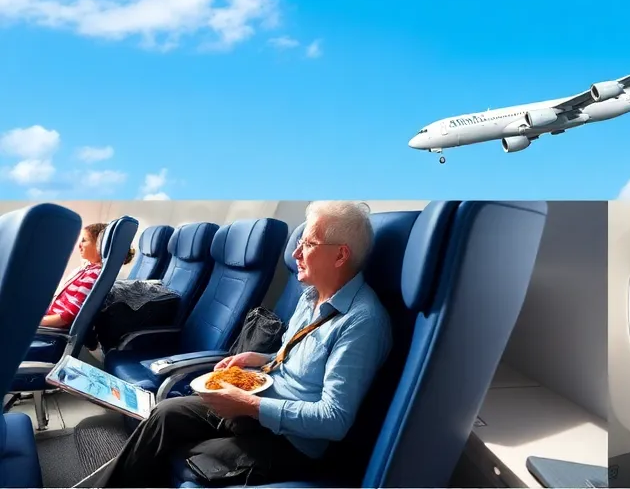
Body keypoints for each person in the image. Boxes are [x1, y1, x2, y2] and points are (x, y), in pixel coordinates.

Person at [106, 201, 392, 487]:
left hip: (291, 441)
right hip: (258, 408)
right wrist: (259, 358)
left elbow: (334, 419)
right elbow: (291, 359)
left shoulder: (362, 322)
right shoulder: (310, 296)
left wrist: (250, 405)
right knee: (165, 413)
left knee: (192, 459)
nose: (295, 254)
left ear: (340, 255)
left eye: (307, 243)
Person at [41, 222, 133, 328]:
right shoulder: (88, 269)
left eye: (84, 240)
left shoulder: (93, 275)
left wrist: (35, 323)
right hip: (50, 319)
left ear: (100, 245)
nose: (79, 245)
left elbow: (67, 316)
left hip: (52, 329)